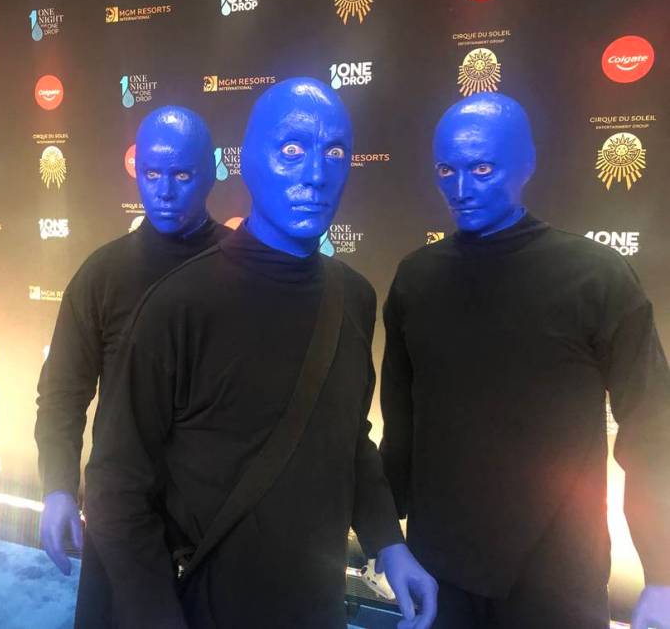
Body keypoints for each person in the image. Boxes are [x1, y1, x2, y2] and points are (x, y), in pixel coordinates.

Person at [85, 77, 437, 628]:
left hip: (314, 604)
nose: (316, 175)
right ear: (245, 162)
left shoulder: (354, 297)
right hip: (205, 606)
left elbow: (347, 439)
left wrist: (389, 542)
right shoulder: (180, 303)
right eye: (292, 149)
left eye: (335, 152)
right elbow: (115, 486)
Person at [379, 92, 670, 628]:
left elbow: (652, 429)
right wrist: (381, 539)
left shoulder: (596, 277)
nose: (461, 189)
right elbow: (401, 430)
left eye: (482, 167)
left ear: (526, 164)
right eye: (446, 169)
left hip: (559, 579)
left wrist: (661, 572)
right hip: (440, 572)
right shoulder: (415, 279)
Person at [34, 105, 230, 627]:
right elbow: (62, 391)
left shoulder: (244, 269)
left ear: (211, 172)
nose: (164, 191)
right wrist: (56, 485)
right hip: (123, 511)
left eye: (182, 175)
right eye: (152, 174)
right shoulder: (102, 275)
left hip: (220, 516)